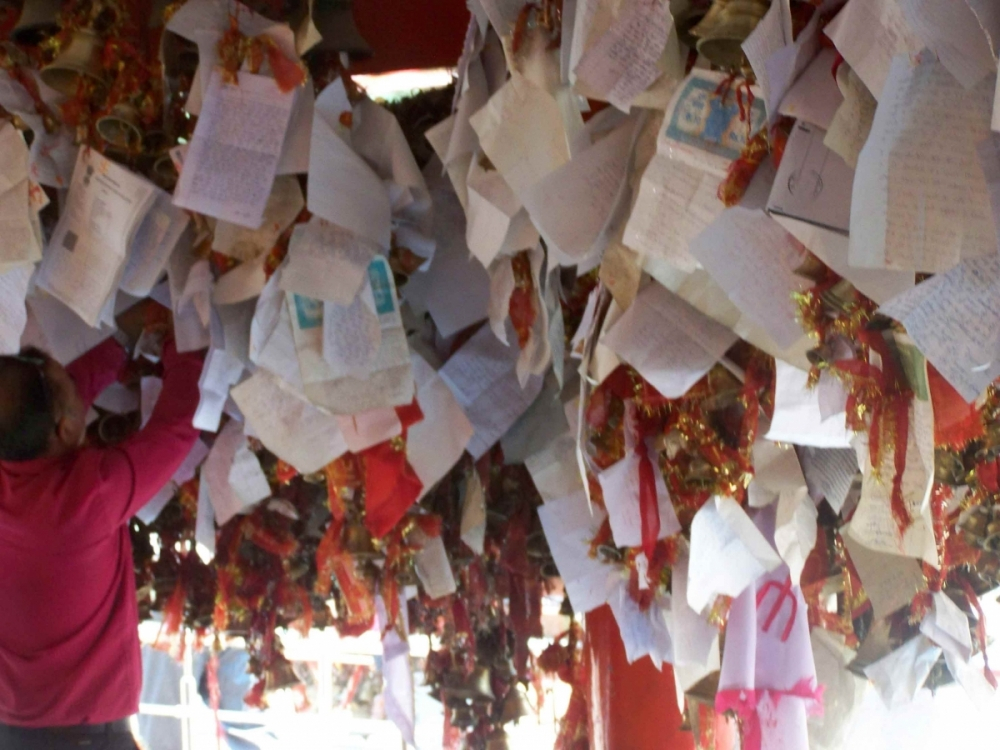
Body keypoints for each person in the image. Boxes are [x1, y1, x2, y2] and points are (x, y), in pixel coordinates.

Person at [0, 302, 205, 749]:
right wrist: (186, 341)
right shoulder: (87, 497)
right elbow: (177, 425)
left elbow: (60, 402)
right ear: (65, 425)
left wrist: (122, 342)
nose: (75, 387)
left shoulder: (37, 469)